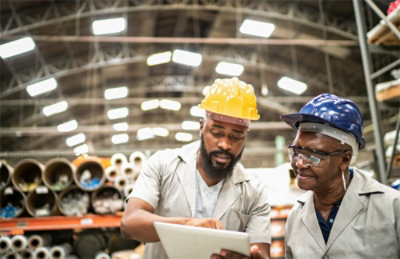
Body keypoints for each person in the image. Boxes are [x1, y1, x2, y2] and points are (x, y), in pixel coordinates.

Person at [120, 77, 271, 259]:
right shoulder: (162, 164)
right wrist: (189, 226)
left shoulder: (254, 191)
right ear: (201, 127)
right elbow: (129, 223)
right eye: (216, 133)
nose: (225, 144)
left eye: (236, 136)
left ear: (245, 137)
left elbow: (260, 251)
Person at [281, 93, 400, 259]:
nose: (300, 163)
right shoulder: (296, 216)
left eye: (314, 155)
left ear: (345, 159)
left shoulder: (392, 208)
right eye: (297, 152)